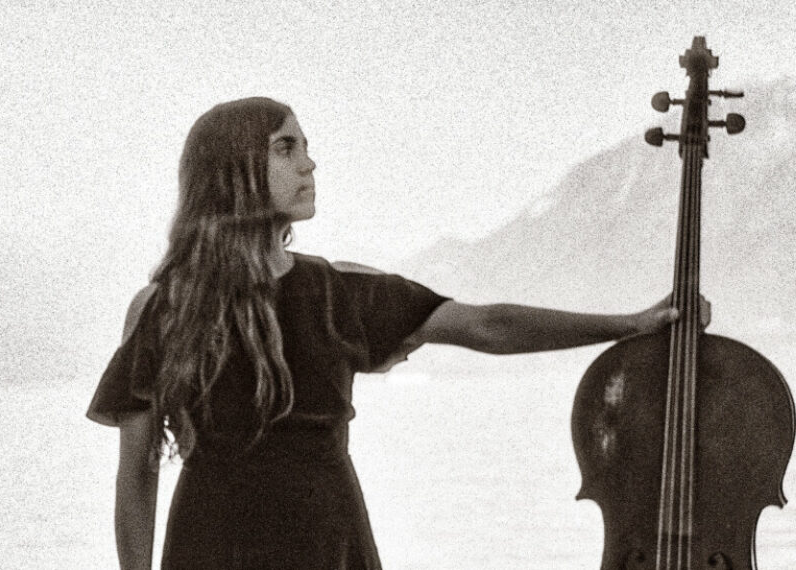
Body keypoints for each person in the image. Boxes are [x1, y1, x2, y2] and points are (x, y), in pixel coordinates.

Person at [87, 96, 707, 570]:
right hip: (210, 546)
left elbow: (486, 324)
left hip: (328, 543)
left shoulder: (338, 291)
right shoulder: (162, 309)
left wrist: (631, 323)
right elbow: (137, 474)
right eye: (285, 148)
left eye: (306, 147)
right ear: (235, 170)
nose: (309, 163)